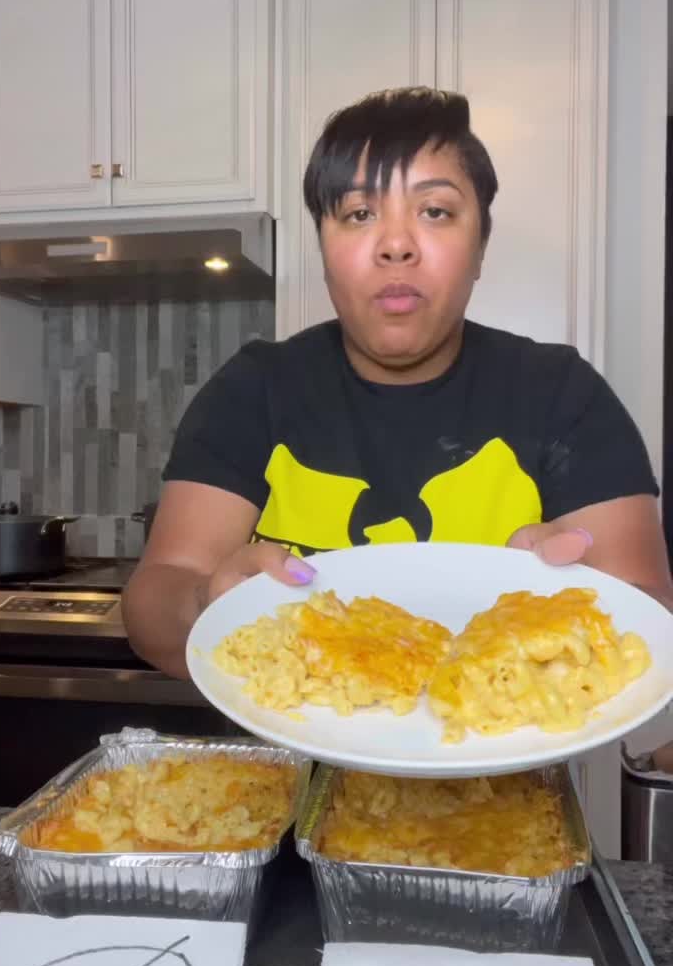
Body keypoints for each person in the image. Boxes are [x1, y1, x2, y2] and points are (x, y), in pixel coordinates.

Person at [122, 88, 672, 678]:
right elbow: (158, 599)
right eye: (359, 214)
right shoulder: (254, 390)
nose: (396, 245)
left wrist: (573, 606)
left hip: (504, 738)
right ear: (323, 247)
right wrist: (206, 602)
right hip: (293, 738)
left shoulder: (563, 394)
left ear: (480, 247)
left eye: (434, 211)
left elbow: (653, 619)